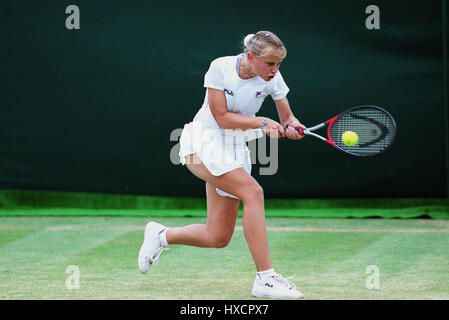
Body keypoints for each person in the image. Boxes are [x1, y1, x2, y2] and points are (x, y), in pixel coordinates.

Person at [138, 31, 307, 299]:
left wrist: (292, 126)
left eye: (278, 64)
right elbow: (221, 118)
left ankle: (161, 235)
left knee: (217, 236)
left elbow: (287, 118)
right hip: (203, 141)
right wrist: (262, 123)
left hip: (234, 147)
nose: (275, 70)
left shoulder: (273, 78)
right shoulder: (220, 67)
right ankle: (265, 278)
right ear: (250, 57)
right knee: (253, 192)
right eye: (270, 64)